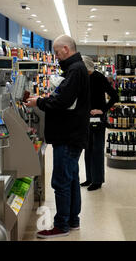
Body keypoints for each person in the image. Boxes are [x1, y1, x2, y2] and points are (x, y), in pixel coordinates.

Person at [25, 35, 90, 239]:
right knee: (70, 180)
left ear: (65, 49)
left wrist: (39, 103)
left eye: (56, 51)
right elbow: (64, 98)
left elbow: (62, 101)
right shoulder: (75, 69)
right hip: (72, 133)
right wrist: (44, 99)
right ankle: (72, 220)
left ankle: (61, 225)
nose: (55, 55)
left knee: (61, 181)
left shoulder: (75, 70)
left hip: (68, 135)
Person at [81, 56, 119, 191]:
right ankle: (89, 178)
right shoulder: (83, 78)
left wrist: (102, 110)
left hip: (98, 120)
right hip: (86, 119)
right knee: (88, 149)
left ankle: (97, 181)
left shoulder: (99, 78)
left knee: (97, 149)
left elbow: (115, 96)